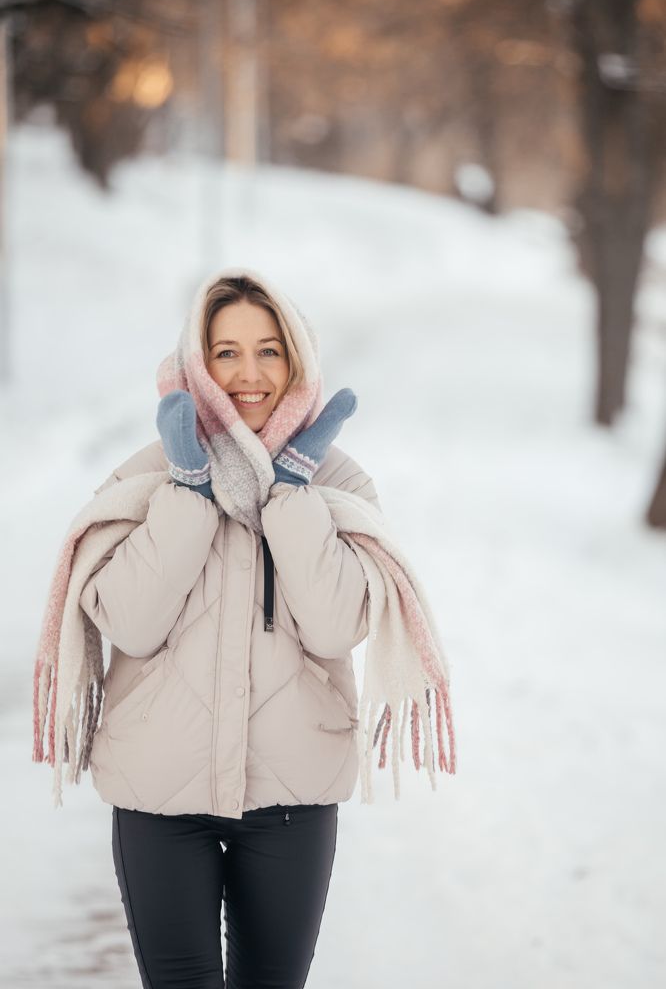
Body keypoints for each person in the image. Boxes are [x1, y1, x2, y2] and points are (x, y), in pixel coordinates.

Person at [32, 267, 456, 989]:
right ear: (198, 363)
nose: (248, 374)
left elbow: (336, 625)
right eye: (226, 352)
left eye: (269, 350)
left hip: (290, 803)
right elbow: (129, 623)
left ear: (297, 360)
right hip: (160, 798)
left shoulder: (341, 485)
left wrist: (291, 492)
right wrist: (191, 493)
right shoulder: (145, 477)